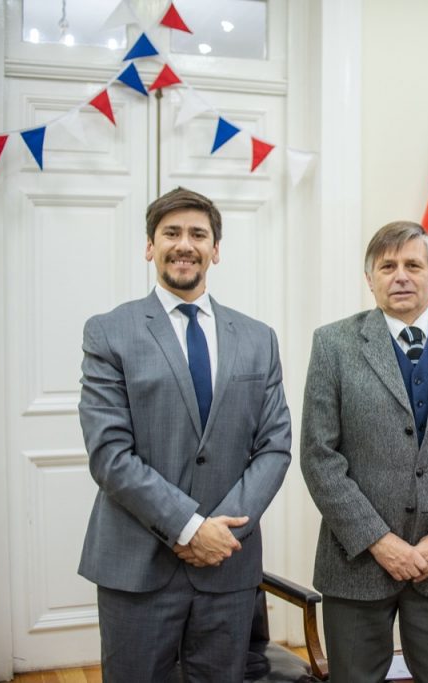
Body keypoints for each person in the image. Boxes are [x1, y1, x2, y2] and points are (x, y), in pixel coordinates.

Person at [77, 187, 291, 682]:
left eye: (198, 234)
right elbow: (110, 454)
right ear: (149, 246)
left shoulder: (258, 338)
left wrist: (221, 536)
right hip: (137, 566)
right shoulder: (109, 332)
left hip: (228, 566)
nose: (184, 244)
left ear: (216, 249)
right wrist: (191, 528)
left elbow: (275, 447)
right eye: (171, 233)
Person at [300, 221, 428, 683]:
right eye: (387, 266)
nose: (401, 276)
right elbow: (319, 456)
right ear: (369, 278)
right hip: (356, 563)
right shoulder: (333, 345)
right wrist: (381, 543)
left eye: (413, 265)